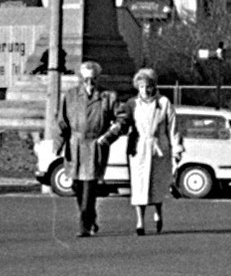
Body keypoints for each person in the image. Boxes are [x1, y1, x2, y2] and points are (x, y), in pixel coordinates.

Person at [56, 60, 123, 237]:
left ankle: (84, 225)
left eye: (93, 79)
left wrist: (107, 137)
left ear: (98, 79)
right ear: (80, 78)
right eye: (85, 79)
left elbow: (121, 119)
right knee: (77, 185)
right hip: (75, 145)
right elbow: (62, 121)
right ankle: (91, 217)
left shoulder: (108, 97)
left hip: (95, 145)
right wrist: (58, 144)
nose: (89, 82)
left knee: (89, 186)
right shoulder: (70, 96)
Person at [123, 68, 181, 236]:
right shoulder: (132, 104)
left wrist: (176, 149)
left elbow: (173, 128)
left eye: (148, 86)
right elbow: (123, 122)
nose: (145, 90)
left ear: (154, 86)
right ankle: (140, 221)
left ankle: (158, 213)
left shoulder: (163, 103)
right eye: (141, 87)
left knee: (157, 183)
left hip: (159, 148)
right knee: (139, 184)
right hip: (139, 147)